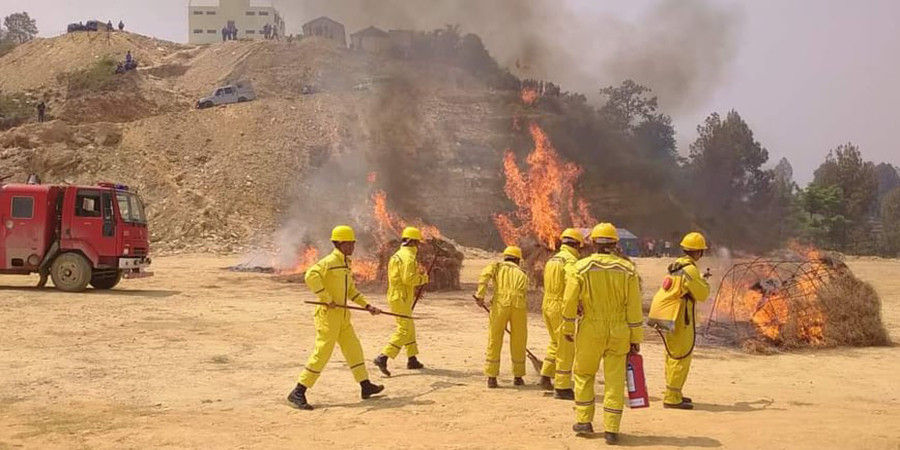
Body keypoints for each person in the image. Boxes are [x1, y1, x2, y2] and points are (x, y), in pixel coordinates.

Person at [286, 225, 385, 410]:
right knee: (322, 353)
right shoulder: (330, 261)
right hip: (328, 316)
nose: (353, 246)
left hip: (343, 316)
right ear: (341, 243)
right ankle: (298, 391)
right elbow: (310, 275)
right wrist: (326, 298)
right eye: (351, 243)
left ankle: (365, 385)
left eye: (353, 243)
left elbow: (351, 291)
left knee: (354, 349)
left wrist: (368, 306)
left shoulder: (346, 264)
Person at [561, 223, 643, 445]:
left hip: (590, 328)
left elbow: (569, 301)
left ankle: (584, 421)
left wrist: (568, 328)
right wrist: (635, 339)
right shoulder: (628, 270)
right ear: (616, 244)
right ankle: (612, 429)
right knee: (615, 380)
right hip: (619, 329)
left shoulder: (581, 267)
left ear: (593, 243)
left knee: (584, 374)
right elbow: (634, 308)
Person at [653, 232, 711, 410]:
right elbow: (702, 294)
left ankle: (675, 392)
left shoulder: (677, 265)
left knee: (672, 355)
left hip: (668, 315)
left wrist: (699, 279)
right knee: (681, 355)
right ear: (699, 252)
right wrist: (704, 283)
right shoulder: (689, 269)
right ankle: (672, 397)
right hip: (679, 318)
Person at [373, 227, 429, 376]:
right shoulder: (409, 258)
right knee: (404, 329)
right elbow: (408, 279)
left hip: (398, 295)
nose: (418, 246)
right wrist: (423, 279)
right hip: (401, 297)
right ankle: (383, 357)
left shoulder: (397, 255)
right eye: (417, 242)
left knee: (409, 326)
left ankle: (412, 358)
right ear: (413, 242)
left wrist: (414, 290)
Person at [474, 246, 529, 388]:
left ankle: (491, 377)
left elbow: (483, 278)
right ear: (517, 259)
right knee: (519, 340)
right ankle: (518, 376)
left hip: (500, 305)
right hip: (519, 306)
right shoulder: (522, 273)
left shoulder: (497, 267)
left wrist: (480, 296)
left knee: (495, 339)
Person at [538, 228, 583, 400]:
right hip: (561, 307)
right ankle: (562, 387)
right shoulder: (571, 262)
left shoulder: (552, 260)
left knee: (555, 341)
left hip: (547, 305)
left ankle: (545, 375)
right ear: (577, 244)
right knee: (566, 346)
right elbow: (572, 287)